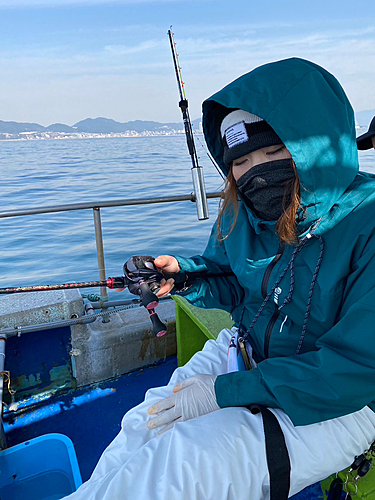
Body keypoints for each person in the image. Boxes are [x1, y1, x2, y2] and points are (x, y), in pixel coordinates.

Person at [64, 58, 375, 500]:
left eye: (274, 152)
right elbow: (231, 277)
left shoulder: (368, 221)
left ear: (314, 149)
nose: (256, 172)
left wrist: (223, 392)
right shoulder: (243, 211)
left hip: (339, 403)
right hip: (249, 353)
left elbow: (357, 370)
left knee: (181, 465)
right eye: (242, 161)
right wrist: (183, 278)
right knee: (144, 422)